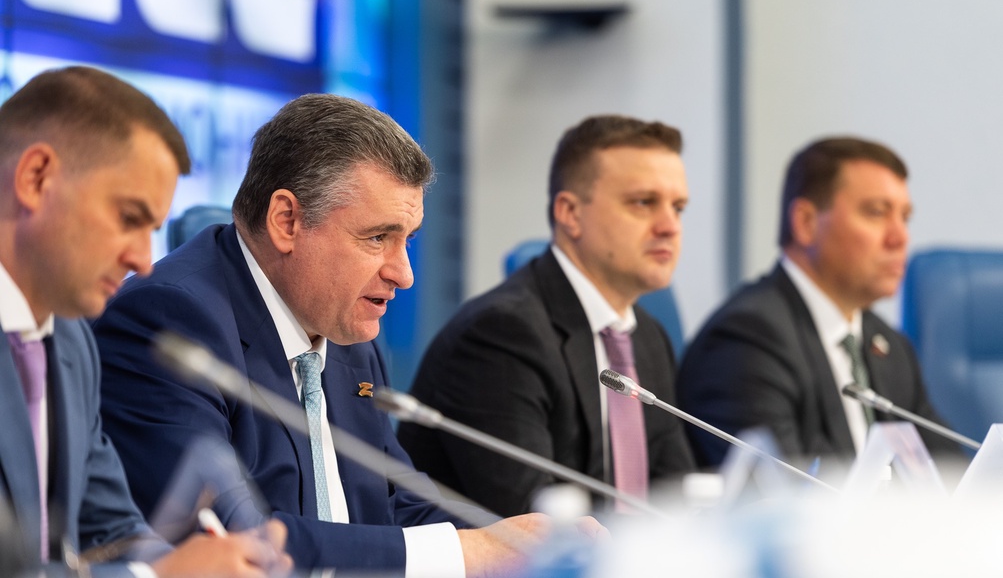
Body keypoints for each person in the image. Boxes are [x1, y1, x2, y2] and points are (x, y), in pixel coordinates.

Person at [92, 93, 579, 577]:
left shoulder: (346, 328)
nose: (404, 274)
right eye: (377, 238)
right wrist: (468, 553)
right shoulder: (169, 320)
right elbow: (232, 542)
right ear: (287, 221)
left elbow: (397, 502)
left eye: (407, 240)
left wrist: (520, 548)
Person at [0, 66, 291, 576]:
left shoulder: (71, 342)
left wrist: (217, 563)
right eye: (128, 218)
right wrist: (156, 576)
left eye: (153, 229)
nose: (142, 259)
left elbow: (111, 528)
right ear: (36, 177)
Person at [399, 115, 697, 517]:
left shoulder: (647, 336)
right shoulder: (502, 335)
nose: (670, 227)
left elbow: (676, 497)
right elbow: (533, 524)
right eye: (643, 202)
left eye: (678, 208)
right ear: (570, 213)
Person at [676, 136, 960, 468]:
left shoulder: (889, 346)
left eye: (905, 218)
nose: (899, 237)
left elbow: (950, 476)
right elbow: (779, 488)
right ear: (806, 223)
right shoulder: (747, 340)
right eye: (876, 213)